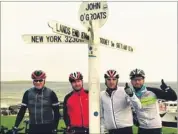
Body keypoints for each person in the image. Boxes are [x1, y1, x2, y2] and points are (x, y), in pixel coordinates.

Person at [129, 68, 177, 134]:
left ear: (143, 80)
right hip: (142, 128)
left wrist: (167, 88)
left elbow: (173, 97)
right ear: (131, 81)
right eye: (135, 80)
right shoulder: (130, 94)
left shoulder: (152, 91)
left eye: (139, 79)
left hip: (155, 127)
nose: (137, 82)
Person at [12, 70, 61, 134]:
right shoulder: (27, 93)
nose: (38, 82)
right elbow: (22, 111)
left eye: (40, 80)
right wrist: (16, 126)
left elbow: (57, 113)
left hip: (48, 127)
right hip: (33, 126)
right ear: (33, 81)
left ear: (44, 81)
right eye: (35, 80)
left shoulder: (51, 93)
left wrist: (55, 128)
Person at [100, 69, 142, 134]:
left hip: (126, 130)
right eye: (109, 79)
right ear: (105, 80)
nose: (111, 82)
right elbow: (102, 115)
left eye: (114, 79)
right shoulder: (102, 94)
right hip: (111, 131)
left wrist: (131, 95)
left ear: (117, 80)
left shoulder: (124, 91)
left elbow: (138, 106)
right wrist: (103, 130)